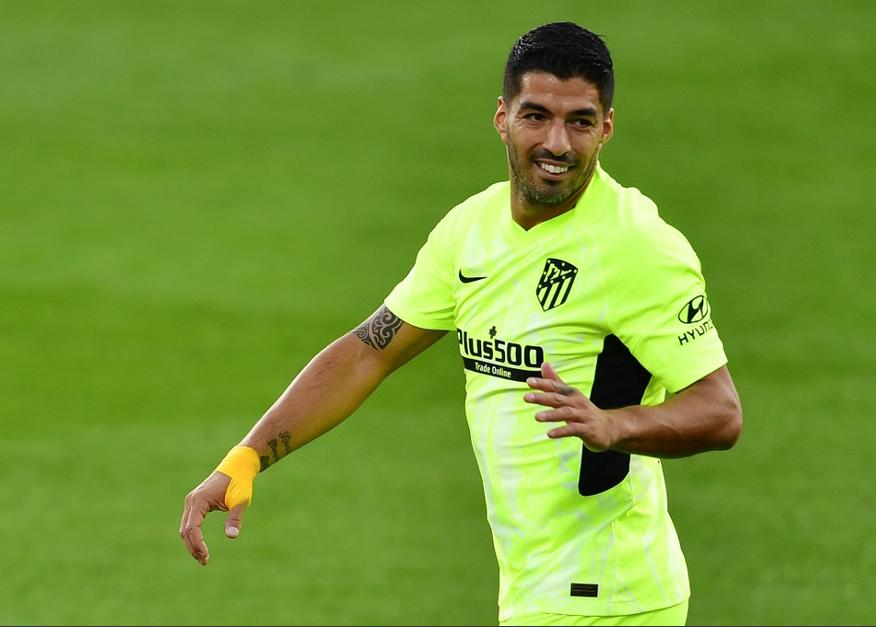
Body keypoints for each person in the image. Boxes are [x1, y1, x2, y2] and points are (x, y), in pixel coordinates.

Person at [179, 21, 742, 627]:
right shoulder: (470, 230)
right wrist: (245, 459)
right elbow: (370, 352)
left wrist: (615, 426)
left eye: (580, 121)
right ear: (502, 117)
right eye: (536, 116)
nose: (557, 143)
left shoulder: (638, 248)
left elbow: (720, 411)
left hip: (611, 595)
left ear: (606, 127)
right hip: (536, 590)